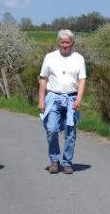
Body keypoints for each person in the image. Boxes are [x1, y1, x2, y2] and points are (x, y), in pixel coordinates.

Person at [37, 29, 87, 174]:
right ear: (58, 43)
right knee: (51, 129)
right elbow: (43, 80)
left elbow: (82, 80)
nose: (64, 45)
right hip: (54, 97)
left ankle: (67, 162)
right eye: (62, 42)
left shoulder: (79, 58)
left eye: (67, 42)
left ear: (72, 43)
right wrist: (41, 100)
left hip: (71, 98)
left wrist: (79, 99)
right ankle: (54, 160)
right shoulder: (50, 57)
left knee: (70, 133)